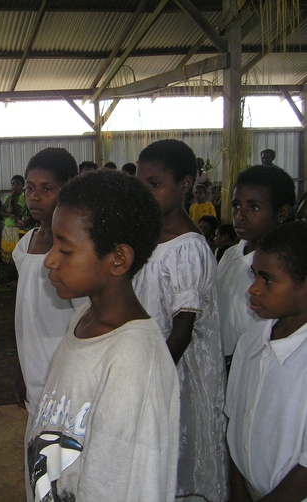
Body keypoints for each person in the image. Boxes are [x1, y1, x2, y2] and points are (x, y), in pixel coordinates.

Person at [28, 170, 179, 501]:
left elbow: (125, 484)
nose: (49, 260)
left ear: (118, 259)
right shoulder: (85, 318)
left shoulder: (132, 362)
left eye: (65, 249)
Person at [133, 139, 229, 501]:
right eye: (140, 184)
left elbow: (182, 333)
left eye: (154, 185)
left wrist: (147, 380)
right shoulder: (148, 237)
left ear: (185, 185)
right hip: (146, 362)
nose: (145, 193)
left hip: (173, 374)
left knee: (176, 458)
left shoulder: (188, 247)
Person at [12, 147, 79, 500]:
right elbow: (26, 314)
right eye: (29, 187)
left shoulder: (72, 251)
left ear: (67, 189)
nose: (35, 196)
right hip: (33, 367)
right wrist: (20, 369)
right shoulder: (25, 245)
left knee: (64, 461)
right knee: (38, 460)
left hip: (64, 373)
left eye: (46, 188)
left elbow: (85, 316)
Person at [225, 222, 307, 501]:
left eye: (267, 279)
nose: (254, 289)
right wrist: (238, 492)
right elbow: (234, 425)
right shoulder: (250, 341)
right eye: (254, 276)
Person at [217, 166, 295, 362]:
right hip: (222, 360)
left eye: (254, 207)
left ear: (282, 212)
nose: (240, 215)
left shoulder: (286, 269)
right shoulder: (229, 255)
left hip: (258, 360)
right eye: (236, 205)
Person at [0, 174, 27, 282]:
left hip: (17, 229)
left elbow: (11, 210)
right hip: (7, 228)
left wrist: (13, 197)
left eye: (18, 184)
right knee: (8, 255)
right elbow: (1, 212)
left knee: (17, 254)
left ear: (22, 186)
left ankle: (18, 278)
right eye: (13, 183)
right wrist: (10, 215)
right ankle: (10, 277)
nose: (14, 186)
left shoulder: (21, 197)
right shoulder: (8, 197)